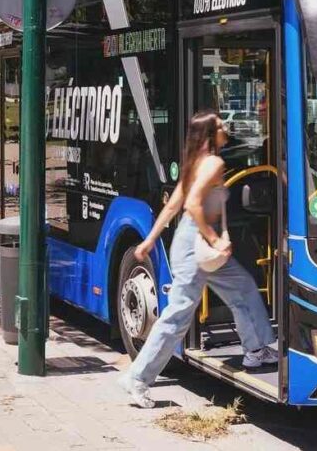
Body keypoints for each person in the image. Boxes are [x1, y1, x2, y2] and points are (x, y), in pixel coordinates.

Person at [118, 109, 277, 408]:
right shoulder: (214, 163)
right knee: (178, 316)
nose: (225, 127)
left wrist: (149, 241)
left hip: (193, 244)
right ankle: (137, 378)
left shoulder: (195, 165)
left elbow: (170, 208)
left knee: (242, 287)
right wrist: (214, 238)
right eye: (219, 125)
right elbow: (191, 205)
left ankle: (255, 350)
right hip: (198, 245)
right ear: (208, 134)